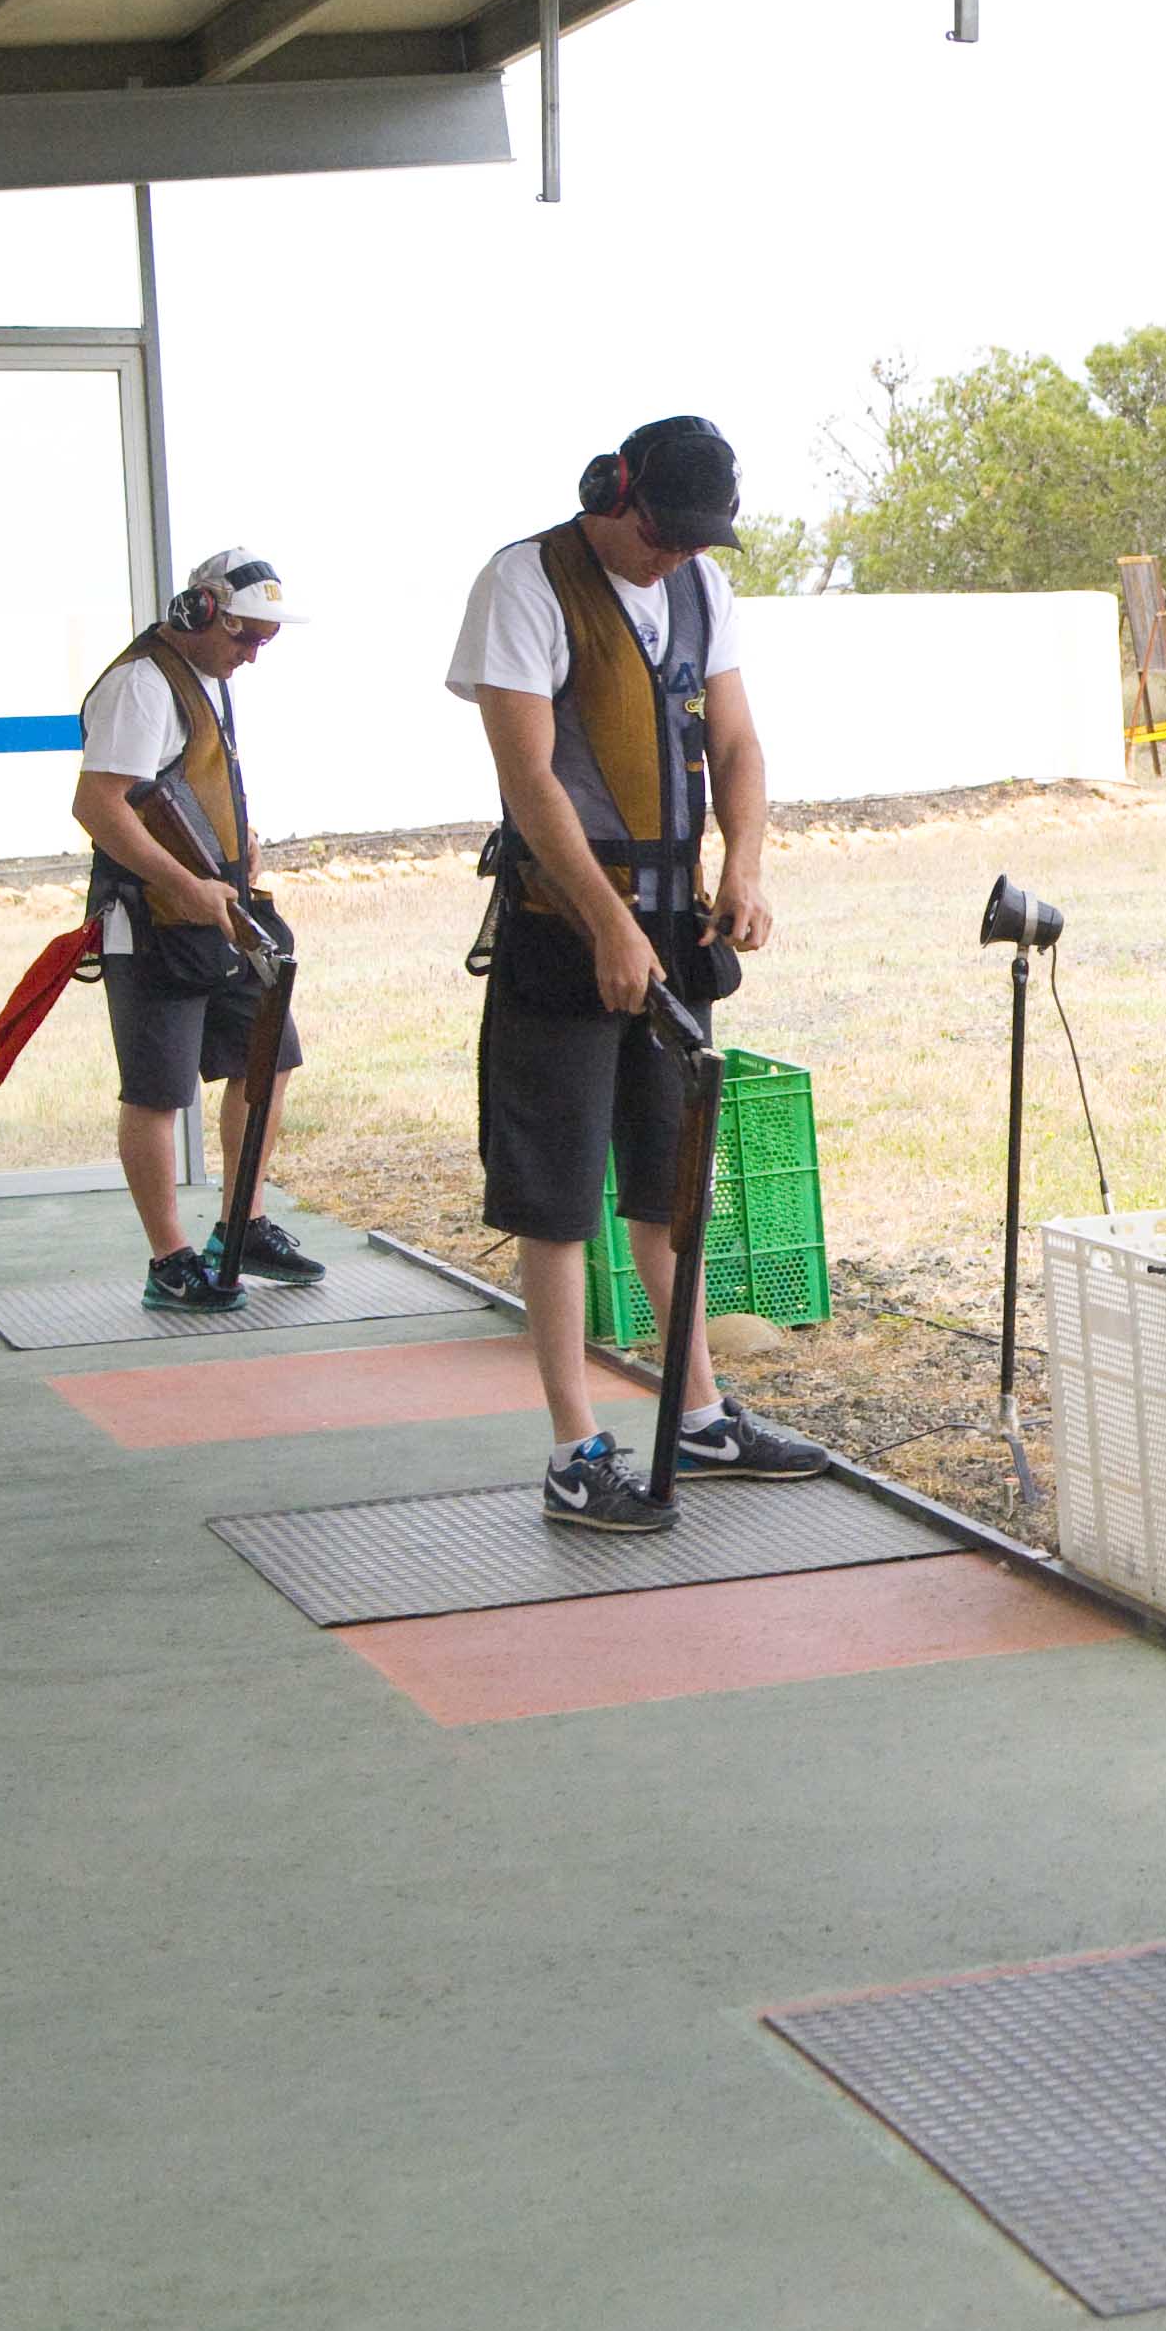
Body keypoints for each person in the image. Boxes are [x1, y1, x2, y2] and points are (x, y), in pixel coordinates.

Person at [446, 416, 831, 1531]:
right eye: (663, 536)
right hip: (560, 930)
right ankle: (574, 1449)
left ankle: (700, 1412)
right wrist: (605, 922)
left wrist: (743, 864)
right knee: (557, 1200)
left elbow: (739, 745)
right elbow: (529, 780)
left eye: (696, 541)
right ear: (613, 495)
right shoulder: (526, 583)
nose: (676, 560)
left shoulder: (704, 590)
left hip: (673, 930)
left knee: (670, 1185)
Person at [74, 546, 316, 1312]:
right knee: (156, 1093)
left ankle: (240, 1226)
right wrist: (186, 884)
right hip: (152, 920)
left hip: (219, 908)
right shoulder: (141, 685)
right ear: (198, 612)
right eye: (245, 638)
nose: (252, 655)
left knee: (269, 1057)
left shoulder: (206, 679)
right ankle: (168, 1258)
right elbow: (100, 807)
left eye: (264, 643)